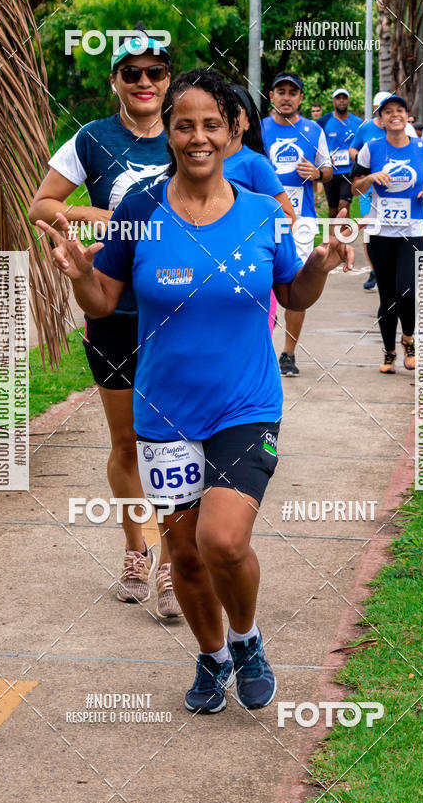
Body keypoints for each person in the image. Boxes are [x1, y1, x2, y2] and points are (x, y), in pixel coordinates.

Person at [38, 69, 354, 714]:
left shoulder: (263, 211)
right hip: (164, 408)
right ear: (171, 134)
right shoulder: (138, 210)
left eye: (212, 124)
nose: (198, 136)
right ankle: (211, 658)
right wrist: (77, 275)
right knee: (182, 552)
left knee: (223, 540)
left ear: (235, 130)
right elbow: (104, 299)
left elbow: (292, 294)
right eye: (185, 124)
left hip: (245, 403)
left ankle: (247, 639)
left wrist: (318, 264)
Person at [29, 32, 183, 619]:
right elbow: (43, 205)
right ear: (114, 81)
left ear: (169, 79)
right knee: (126, 441)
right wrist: (101, 215)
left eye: (155, 72)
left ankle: (173, 563)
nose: (145, 83)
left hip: (175, 314)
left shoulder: (186, 133)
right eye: (132, 73)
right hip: (113, 312)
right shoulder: (92, 139)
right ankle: (135, 550)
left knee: (174, 441)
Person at [352, 94, 423, 374]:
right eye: (388, 112)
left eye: (399, 110)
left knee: (408, 291)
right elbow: (354, 187)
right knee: (387, 297)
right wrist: (369, 179)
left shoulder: (422, 147)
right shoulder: (371, 148)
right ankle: (389, 350)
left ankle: (408, 340)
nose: (394, 115)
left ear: (407, 115)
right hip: (380, 232)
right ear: (382, 119)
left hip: (412, 231)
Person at [261, 72, 332, 376]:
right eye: (281, 91)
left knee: (296, 286)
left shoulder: (313, 130)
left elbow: (328, 169)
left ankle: (288, 352)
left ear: (301, 98)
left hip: (300, 222)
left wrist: (317, 173)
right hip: (261, 220)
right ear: (272, 96)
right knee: (257, 285)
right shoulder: (259, 129)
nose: (286, 97)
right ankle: (259, 348)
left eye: (293, 92)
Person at [224, 84, 296, 333]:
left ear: (246, 122)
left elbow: (287, 216)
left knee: (251, 347)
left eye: (235, 110)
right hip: (209, 273)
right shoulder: (195, 162)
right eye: (219, 109)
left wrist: (249, 237)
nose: (227, 115)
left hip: (250, 271)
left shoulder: (255, 163)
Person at [349, 91, 418, 291]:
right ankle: (374, 269)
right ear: (378, 112)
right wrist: (366, 167)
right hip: (372, 188)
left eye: (396, 111)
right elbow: (354, 149)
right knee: (371, 226)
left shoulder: (409, 130)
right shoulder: (365, 129)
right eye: (382, 110)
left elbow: (416, 154)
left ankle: (398, 265)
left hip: (401, 190)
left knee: (398, 229)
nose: (390, 116)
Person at [317, 88, 361, 219]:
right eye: (338, 98)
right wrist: (325, 157)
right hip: (330, 171)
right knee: (333, 210)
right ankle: (333, 237)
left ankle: (343, 238)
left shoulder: (358, 122)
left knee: (344, 205)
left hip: (349, 170)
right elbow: (317, 143)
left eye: (344, 98)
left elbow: (362, 144)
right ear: (333, 101)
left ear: (348, 101)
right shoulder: (324, 121)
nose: (341, 101)